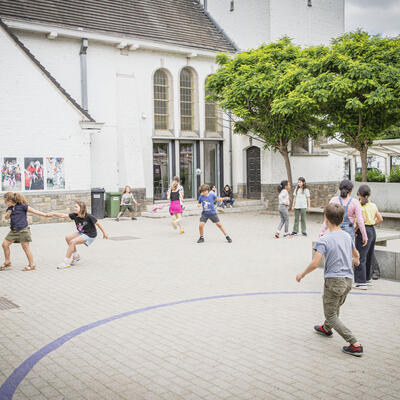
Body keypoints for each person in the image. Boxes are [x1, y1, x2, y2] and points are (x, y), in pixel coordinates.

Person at [296, 203, 363, 357]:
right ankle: (326, 329)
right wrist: (356, 260)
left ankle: (354, 343)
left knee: (331, 314)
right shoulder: (347, 236)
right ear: (342, 219)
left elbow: (315, 263)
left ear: (326, 219)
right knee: (335, 306)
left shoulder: (324, 239)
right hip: (348, 281)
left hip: (334, 282)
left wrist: (302, 274)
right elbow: (356, 253)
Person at [1, 192, 51, 271]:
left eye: (5, 201)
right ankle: (7, 262)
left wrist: (44, 215)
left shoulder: (22, 206)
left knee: (26, 248)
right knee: (4, 244)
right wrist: (8, 214)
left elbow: (34, 211)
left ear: (10, 200)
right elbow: (6, 218)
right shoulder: (9, 208)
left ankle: (32, 265)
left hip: (23, 230)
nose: (5, 203)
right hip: (13, 231)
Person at [51, 201, 108, 269]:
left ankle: (66, 262)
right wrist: (54, 213)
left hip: (90, 235)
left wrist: (104, 233)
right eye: (74, 206)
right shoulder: (75, 215)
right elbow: (63, 215)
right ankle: (76, 256)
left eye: (76, 207)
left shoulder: (89, 216)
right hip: (82, 232)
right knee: (68, 238)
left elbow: (98, 223)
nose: (74, 208)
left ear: (82, 208)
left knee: (73, 242)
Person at [320, 179, 367, 246]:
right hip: (349, 230)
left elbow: (327, 218)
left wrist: (322, 232)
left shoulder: (334, 200)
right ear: (351, 190)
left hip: (334, 229)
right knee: (348, 252)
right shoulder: (355, 202)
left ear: (340, 189)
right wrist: (364, 236)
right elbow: (360, 221)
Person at [353, 185, 383, 290]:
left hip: (363, 231)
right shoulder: (373, 205)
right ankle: (367, 278)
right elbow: (380, 218)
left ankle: (360, 281)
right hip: (372, 231)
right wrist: (372, 224)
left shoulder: (359, 206)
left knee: (360, 255)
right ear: (369, 194)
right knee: (369, 255)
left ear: (359, 194)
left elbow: (363, 220)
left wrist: (355, 229)